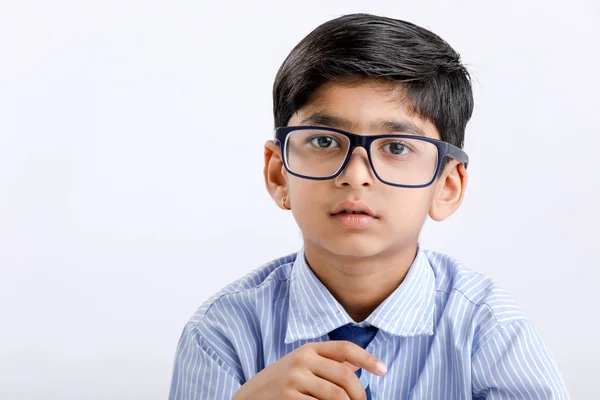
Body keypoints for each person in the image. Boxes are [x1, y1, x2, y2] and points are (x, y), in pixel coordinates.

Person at [168, 13, 570, 399]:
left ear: (446, 186)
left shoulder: (490, 332)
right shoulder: (221, 333)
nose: (356, 175)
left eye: (396, 147)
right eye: (324, 141)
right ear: (278, 173)